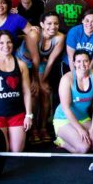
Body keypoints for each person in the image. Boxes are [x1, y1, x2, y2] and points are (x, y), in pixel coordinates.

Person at [18, 12, 65, 144]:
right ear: (42, 24)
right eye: (49, 23)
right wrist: (35, 81)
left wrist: (43, 80)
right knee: (34, 92)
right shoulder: (34, 34)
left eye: (56, 23)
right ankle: (32, 129)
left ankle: (43, 127)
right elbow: (34, 58)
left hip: (41, 63)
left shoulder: (60, 38)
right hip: (24, 61)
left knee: (46, 90)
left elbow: (50, 61)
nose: (53, 26)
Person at [54, 51, 93, 154]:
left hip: (83, 117)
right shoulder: (67, 79)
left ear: (90, 62)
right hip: (64, 118)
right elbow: (66, 108)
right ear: (74, 63)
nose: (82, 64)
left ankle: (79, 134)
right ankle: (61, 141)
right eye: (79, 61)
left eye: (85, 61)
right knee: (84, 148)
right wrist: (80, 130)